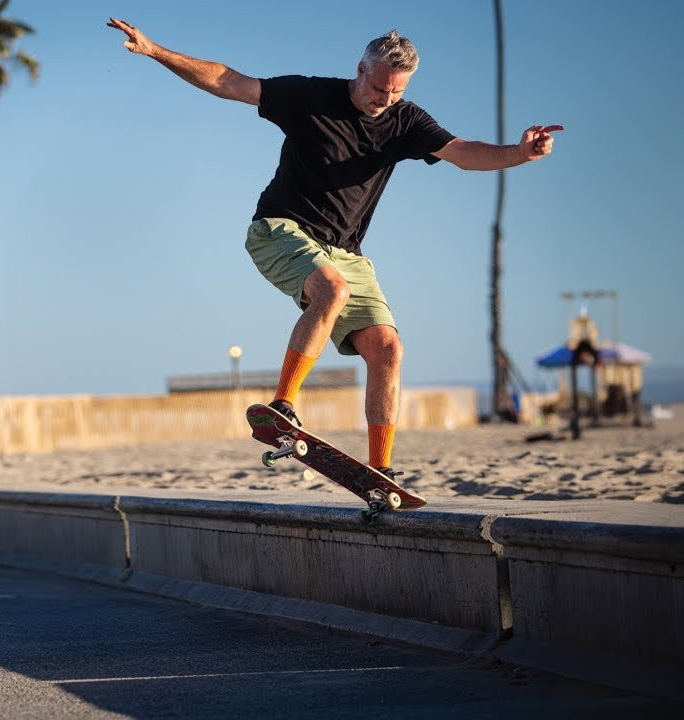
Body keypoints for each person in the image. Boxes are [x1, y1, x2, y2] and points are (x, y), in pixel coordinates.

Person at [107, 18, 561, 479]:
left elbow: (462, 152)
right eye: (379, 88)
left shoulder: (405, 120)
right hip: (279, 229)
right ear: (360, 69)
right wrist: (156, 51)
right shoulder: (309, 96)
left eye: (396, 93)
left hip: (345, 251)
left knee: (387, 348)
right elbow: (230, 82)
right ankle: (282, 406)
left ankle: (380, 473)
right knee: (332, 289)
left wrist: (518, 154)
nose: (384, 101)